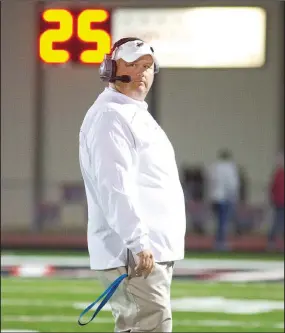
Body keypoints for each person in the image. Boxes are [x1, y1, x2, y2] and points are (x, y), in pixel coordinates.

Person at [79, 37, 186, 332]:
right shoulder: (111, 116)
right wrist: (138, 241)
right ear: (111, 69)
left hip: (144, 251)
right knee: (148, 326)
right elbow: (115, 186)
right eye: (133, 64)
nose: (142, 72)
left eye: (148, 66)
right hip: (134, 253)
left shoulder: (130, 113)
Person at [207, 149, 240, 250]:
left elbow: (210, 181)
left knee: (219, 220)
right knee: (223, 221)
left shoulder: (215, 166)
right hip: (225, 198)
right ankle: (221, 241)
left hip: (215, 197)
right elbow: (232, 184)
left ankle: (218, 240)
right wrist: (234, 196)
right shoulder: (230, 167)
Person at [267, 152, 284, 250]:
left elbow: (272, 188)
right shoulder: (278, 174)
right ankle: (273, 241)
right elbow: (273, 188)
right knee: (278, 221)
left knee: (278, 221)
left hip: (279, 201)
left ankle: (273, 241)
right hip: (280, 201)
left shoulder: (278, 174)